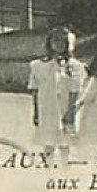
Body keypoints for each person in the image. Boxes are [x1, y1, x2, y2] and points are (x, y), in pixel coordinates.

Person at [28, 26, 86, 165]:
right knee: (48, 141)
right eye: (56, 40)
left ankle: (65, 170)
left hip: (64, 107)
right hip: (47, 106)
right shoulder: (39, 65)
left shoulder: (74, 66)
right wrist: (36, 111)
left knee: (65, 141)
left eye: (63, 41)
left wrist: (71, 111)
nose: (59, 44)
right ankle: (47, 169)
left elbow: (75, 90)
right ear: (49, 43)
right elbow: (35, 90)